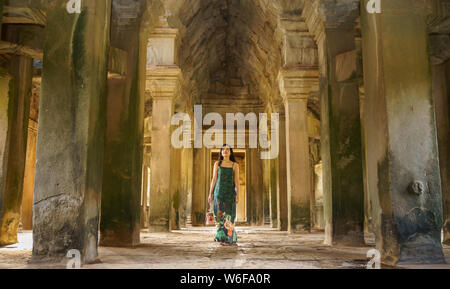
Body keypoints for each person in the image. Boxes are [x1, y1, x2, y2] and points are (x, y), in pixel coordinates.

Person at [208, 144, 240, 246]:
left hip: (230, 193)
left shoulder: (234, 165)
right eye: (223, 149)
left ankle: (229, 238)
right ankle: (221, 238)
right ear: (221, 152)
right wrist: (210, 193)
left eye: (227, 149)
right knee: (219, 215)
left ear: (230, 152)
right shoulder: (217, 164)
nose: (225, 151)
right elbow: (214, 179)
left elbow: (237, 181)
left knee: (230, 215)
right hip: (219, 193)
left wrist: (238, 194)